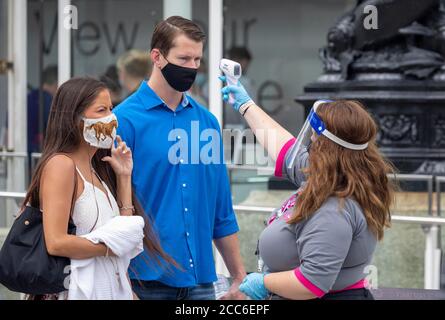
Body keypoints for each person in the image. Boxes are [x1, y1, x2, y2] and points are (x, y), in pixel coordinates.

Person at [220, 79, 396, 300]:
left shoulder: (334, 207)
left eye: (313, 136)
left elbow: (312, 282)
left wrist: (261, 283)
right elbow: (285, 149)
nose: (309, 141)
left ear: (326, 148)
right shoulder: (334, 177)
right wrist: (246, 105)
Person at [113, 16, 246, 300]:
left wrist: (239, 277)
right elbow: (111, 210)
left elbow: (221, 208)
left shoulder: (207, 123)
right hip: (142, 282)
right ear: (157, 57)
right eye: (184, 58)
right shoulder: (124, 121)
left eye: (197, 60)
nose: (192, 68)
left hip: (201, 283)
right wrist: (121, 282)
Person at [22, 77, 173, 300]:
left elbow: (125, 231)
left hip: (108, 287)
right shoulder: (61, 165)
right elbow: (56, 242)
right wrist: (109, 248)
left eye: (111, 109)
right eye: (101, 110)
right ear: (75, 118)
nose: (111, 118)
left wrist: (123, 177)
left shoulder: (97, 167)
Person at [27, 65, 58, 156]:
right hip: (39, 155)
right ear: (57, 83)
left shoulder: (25, 100)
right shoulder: (50, 103)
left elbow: (8, 134)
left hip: (22, 155)